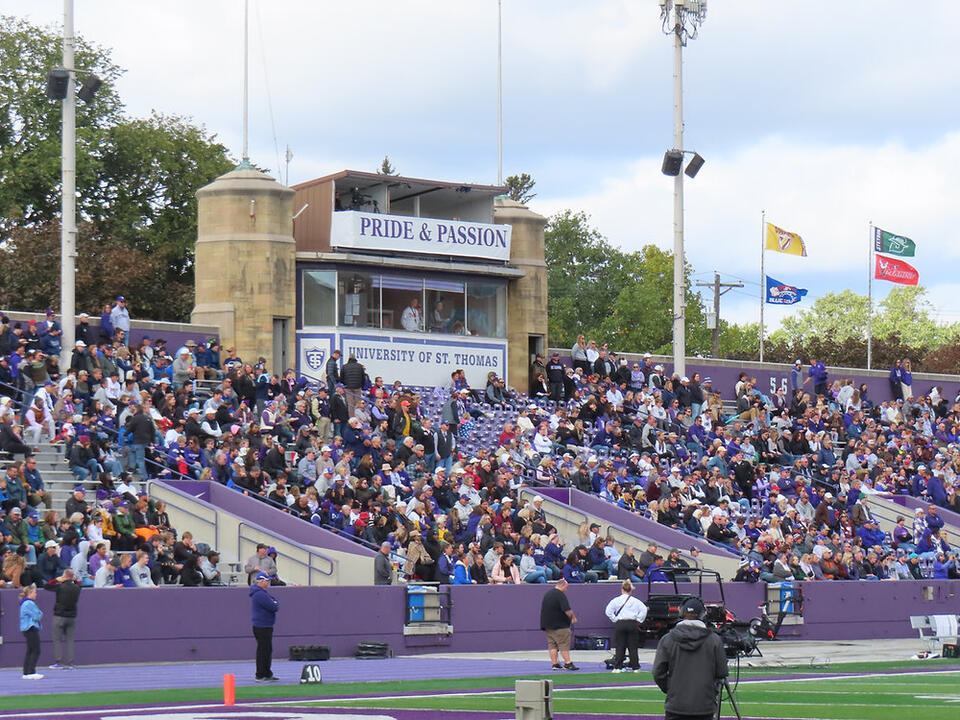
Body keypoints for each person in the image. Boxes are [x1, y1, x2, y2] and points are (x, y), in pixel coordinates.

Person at [653, 597, 728, 720]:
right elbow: (722, 673)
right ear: (703, 615)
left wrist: (672, 689)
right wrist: (710, 692)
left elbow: (658, 672)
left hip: (676, 705)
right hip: (704, 706)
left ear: (681, 613)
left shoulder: (668, 639)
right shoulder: (714, 640)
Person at [604, 580, 648, 673]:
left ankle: (618, 667)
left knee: (620, 645)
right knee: (633, 646)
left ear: (622, 589)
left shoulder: (616, 600)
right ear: (630, 590)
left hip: (620, 623)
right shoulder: (636, 601)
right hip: (632, 623)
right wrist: (639, 619)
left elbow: (608, 611)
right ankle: (635, 667)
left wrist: (615, 619)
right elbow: (644, 609)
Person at [43, 568, 81, 669]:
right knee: (70, 640)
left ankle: (59, 662)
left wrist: (56, 579)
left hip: (59, 615)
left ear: (64, 576)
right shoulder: (76, 588)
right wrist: (75, 580)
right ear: (72, 577)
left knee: (57, 639)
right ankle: (71, 663)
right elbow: (79, 585)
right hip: (71, 616)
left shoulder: (60, 586)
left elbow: (46, 586)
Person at [538, 578, 579, 671]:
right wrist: (573, 618)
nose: (566, 590)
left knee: (552, 645)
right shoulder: (560, 595)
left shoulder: (548, 594)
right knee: (563, 644)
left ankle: (555, 663)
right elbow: (567, 609)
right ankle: (568, 663)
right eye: (566, 587)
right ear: (562, 585)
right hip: (560, 625)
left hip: (548, 625)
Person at [250, 571, 280, 682]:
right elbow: (274, 606)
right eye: (266, 581)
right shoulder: (260, 594)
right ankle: (260, 674)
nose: (268, 583)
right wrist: (275, 602)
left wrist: (275, 602)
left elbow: (274, 602)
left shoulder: (261, 593)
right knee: (263, 650)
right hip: (262, 626)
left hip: (264, 625)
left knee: (267, 650)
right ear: (261, 581)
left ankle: (266, 673)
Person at [19, 583, 44, 679]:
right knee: (36, 650)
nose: (36, 594)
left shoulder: (25, 603)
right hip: (31, 628)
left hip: (27, 629)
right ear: (30, 593)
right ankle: (31, 672)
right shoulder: (29, 603)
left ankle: (26, 672)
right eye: (35, 592)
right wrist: (40, 613)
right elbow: (38, 615)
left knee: (30, 650)